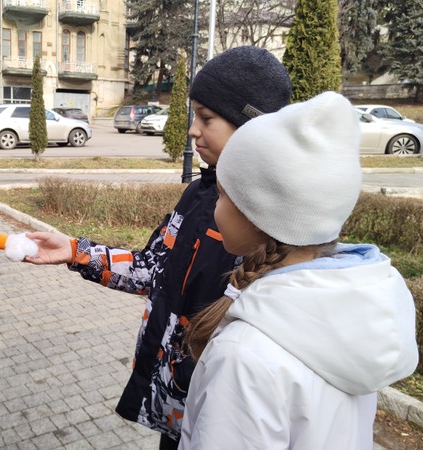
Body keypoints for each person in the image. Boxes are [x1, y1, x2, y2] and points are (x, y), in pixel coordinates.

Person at [24, 46, 293, 448]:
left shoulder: (270, 223)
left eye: (206, 118)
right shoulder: (198, 194)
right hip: (173, 402)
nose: (192, 130)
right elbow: (152, 267)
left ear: (249, 126)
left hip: (220, 416)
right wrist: (75, 251)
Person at [179, 91, 419, 449]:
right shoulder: (356, 318)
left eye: (223, 195)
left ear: (257, 213)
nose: (216, 206)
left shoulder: (244, 356)